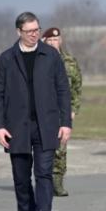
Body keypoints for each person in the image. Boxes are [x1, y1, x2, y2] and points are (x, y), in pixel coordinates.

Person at [0, 12, 72, 211]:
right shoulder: (7, 58)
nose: (34, 34)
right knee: (21, 177)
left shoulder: (51, 55)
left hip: (46, 125)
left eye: (37, 30)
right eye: (29, 31)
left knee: (44, 173)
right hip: (16, 127)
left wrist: (66, 123)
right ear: (19, 32)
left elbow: (63, 89)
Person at [41, 27, 82, 197]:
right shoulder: (38, 60)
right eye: (49, 40)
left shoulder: (70, 61)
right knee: (42, 147)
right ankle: (44, 182)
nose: (53, 43)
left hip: (62, 111)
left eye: (55, 40)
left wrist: (73, 110)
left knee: (60, 148)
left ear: (60, 41)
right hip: (42, 110)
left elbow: (76, 87)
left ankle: (57, 183)